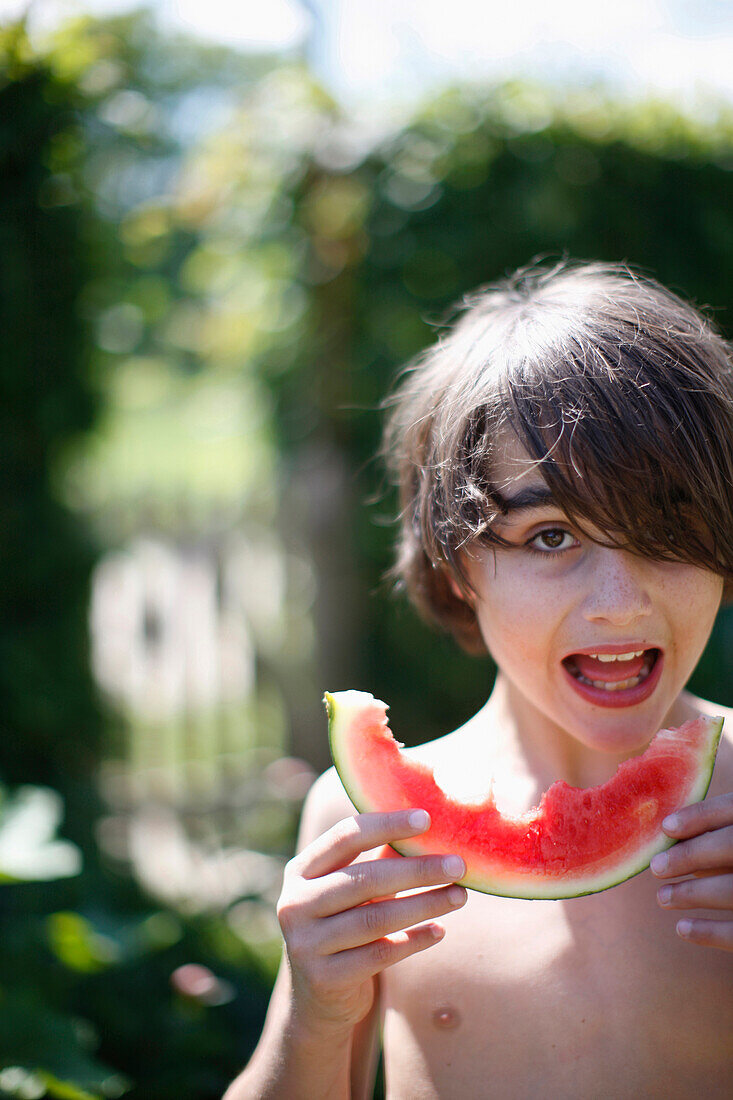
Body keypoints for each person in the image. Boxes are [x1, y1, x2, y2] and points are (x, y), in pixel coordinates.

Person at [224, 260, 733, 1098]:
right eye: (547, 536)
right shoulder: (369, 825)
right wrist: (312, 1015)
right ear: (456, 564)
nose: (618, 603)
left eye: (668, 525)